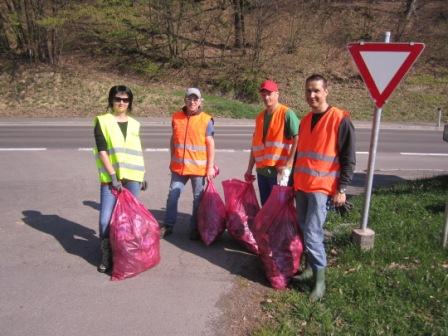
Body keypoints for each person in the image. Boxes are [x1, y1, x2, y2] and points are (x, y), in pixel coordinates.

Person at [293, 74, 356, 300]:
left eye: (316, 91)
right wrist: (292, 182)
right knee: (303, 227)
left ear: (326, 91)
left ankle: (320, 283)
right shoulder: (304, 120)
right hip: (302, 186)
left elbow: (349, 158)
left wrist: (342, 189)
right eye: (308, 91)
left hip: (322, 188)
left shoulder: (340, 119)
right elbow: (300, 156)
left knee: (312, 233)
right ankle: (310, 269)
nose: (312, 95)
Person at [93, 85, 145, 273]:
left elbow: (136, 152)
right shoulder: (102, 121)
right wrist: (113, 176)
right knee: (105, 219)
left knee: (131, 218)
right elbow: (102, 151)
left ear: (129, 102)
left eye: (125, 99)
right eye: (117, 99)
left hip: (132, 177)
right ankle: (107, 252)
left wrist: (141, 175)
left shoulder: (134, 124)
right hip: (111, 178)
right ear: (111, 100)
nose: (121, 103)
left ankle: (128, 252)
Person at [160, 88, 216, 240]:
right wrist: (173, 157)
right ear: (185, 100)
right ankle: (168, 225)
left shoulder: (206, 120)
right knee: (173, 195)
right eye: (189, 99)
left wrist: (210, 167)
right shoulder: (176, 117)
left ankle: (195, 228)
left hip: (198, 169)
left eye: (195, 99)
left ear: (200, 102)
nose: (192, 102)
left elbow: (210, 144)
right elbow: (173, 139)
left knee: (198, 199)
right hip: (179, 168)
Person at [244, 79, 300, 205]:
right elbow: (255, 145)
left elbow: (298, 137)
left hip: (278, 172)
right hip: (262, 172)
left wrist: (289, 164)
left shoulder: (287, 113)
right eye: (263, 94)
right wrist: (249, 169)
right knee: (266, 207)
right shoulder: (259, 117)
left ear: (277, 94)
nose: (266, 97)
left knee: (280, 208)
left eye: (269, 94)